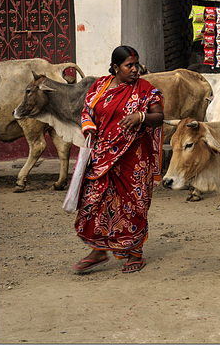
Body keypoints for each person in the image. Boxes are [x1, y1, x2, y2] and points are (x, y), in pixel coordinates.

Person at [73, 45, 164, 274]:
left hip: (133, 160)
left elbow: (159, 117)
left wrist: (141, 116)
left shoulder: (145, 89)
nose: (135, 70)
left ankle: (134, 252)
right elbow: (87, 111)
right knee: (94, 204)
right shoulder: (100, 86)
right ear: (115, 67)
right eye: (129, 66)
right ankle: (98, 250)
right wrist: (89, 126)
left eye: (136, 64)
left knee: (132, 205)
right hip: (101, 158)